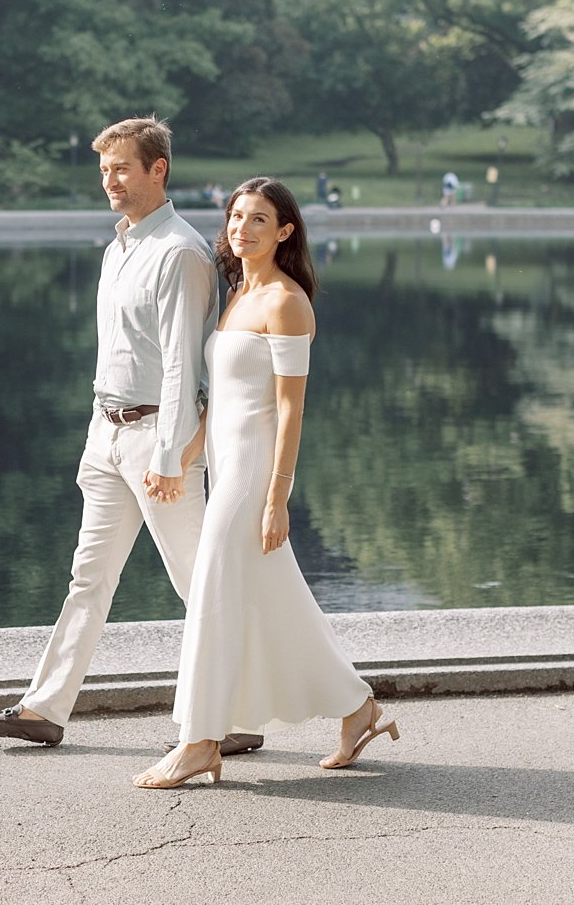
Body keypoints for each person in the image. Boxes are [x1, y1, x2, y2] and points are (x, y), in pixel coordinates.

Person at [0, 116, 263, 757]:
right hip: (106, 434)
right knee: (87, 579)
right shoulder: (119, 247)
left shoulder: (180, 253)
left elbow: (184, 364)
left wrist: (172, 455)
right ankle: (44, 709)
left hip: (162, 441)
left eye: (122, 168)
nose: (110, 181)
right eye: (104, 170)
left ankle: (238, 713)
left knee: (198, 584)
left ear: (159, 170)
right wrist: (98, 431)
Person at [132, 177, 399, 789]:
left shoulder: (285, 302)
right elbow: (221, 401)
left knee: (212, 591)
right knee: (276, 599)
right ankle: (359, 710)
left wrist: (277, 497)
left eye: (258, 219)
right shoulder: (236, 295)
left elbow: (289, 410)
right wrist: (177, 455)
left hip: (253, 476)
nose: (241, 228)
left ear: (285, 231)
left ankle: (199, 740)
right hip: (223, 462)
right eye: (235, 215)